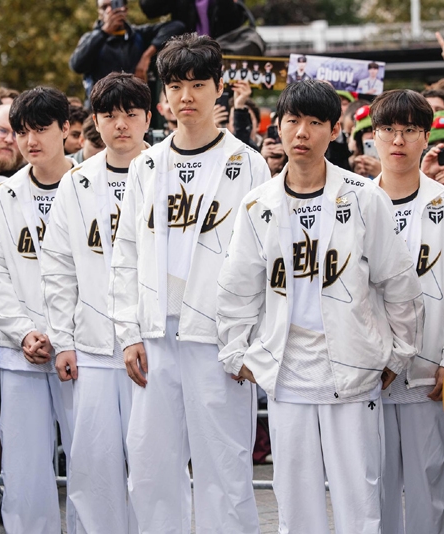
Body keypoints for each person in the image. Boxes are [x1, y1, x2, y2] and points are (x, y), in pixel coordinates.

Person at [216, 79, 424, 533]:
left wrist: (398, 354)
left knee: (359, 505)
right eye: (293, 121)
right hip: (287, 374)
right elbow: (237, 288)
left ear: (334, 130)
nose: (302, 133)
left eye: (314, 122)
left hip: (353, 373)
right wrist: (236, 353)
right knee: (295, 508)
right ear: (278, 127)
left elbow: (399, 283)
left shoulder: (365, 197)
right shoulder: (257, 204)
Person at [108, 33, 270, 533]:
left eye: (198, 84)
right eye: (176, 85)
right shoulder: (147, 165)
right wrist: (128, 332)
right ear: (164, 93)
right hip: (156, 334)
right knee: (150, 468)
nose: (186, 96)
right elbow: (125, 252)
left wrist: (246, 341)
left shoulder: (248, 163)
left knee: (225, 468)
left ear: (219, 87)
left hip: (219, 339)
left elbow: (263, 260)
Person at [368, 89, 444, 534]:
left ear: (426, 138)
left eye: (409, 130)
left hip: (430, 374)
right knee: (373, 491)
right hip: (371, 374)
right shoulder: (353, 202)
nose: (398, 141)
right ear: (373, 136)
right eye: (388, 130)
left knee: (431, 487)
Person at [41, 71, 151, 534]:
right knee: (93, 466)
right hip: (93, 346)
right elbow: (58, 266)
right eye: (109, 115)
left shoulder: (164, 173)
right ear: (95, 121)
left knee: (153, 466)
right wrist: (63, 340)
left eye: (130, 114)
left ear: (148, 117)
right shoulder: (77, 182)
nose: (120, 124)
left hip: (152, 344)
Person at [0, 86, 78, 534]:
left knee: (92, 462)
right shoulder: (5, 195)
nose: (31, 141)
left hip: (83, 350)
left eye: (41, 129)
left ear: (66, 128)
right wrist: (23, 332)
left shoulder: (90, 186)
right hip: (21, 351)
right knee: (24, 468)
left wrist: (65, 334)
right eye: (22, 131)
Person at [69, 0, 185, 101]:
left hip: (134, 106)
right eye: (104, 7)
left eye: (114, 5)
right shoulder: (91, 39)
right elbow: (77, 65)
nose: (109, 10)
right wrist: (104, 32)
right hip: (102, 107)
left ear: (125, 9)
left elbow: (176, 26)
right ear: (99, 12)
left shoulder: (138, 35)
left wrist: (146, 56)